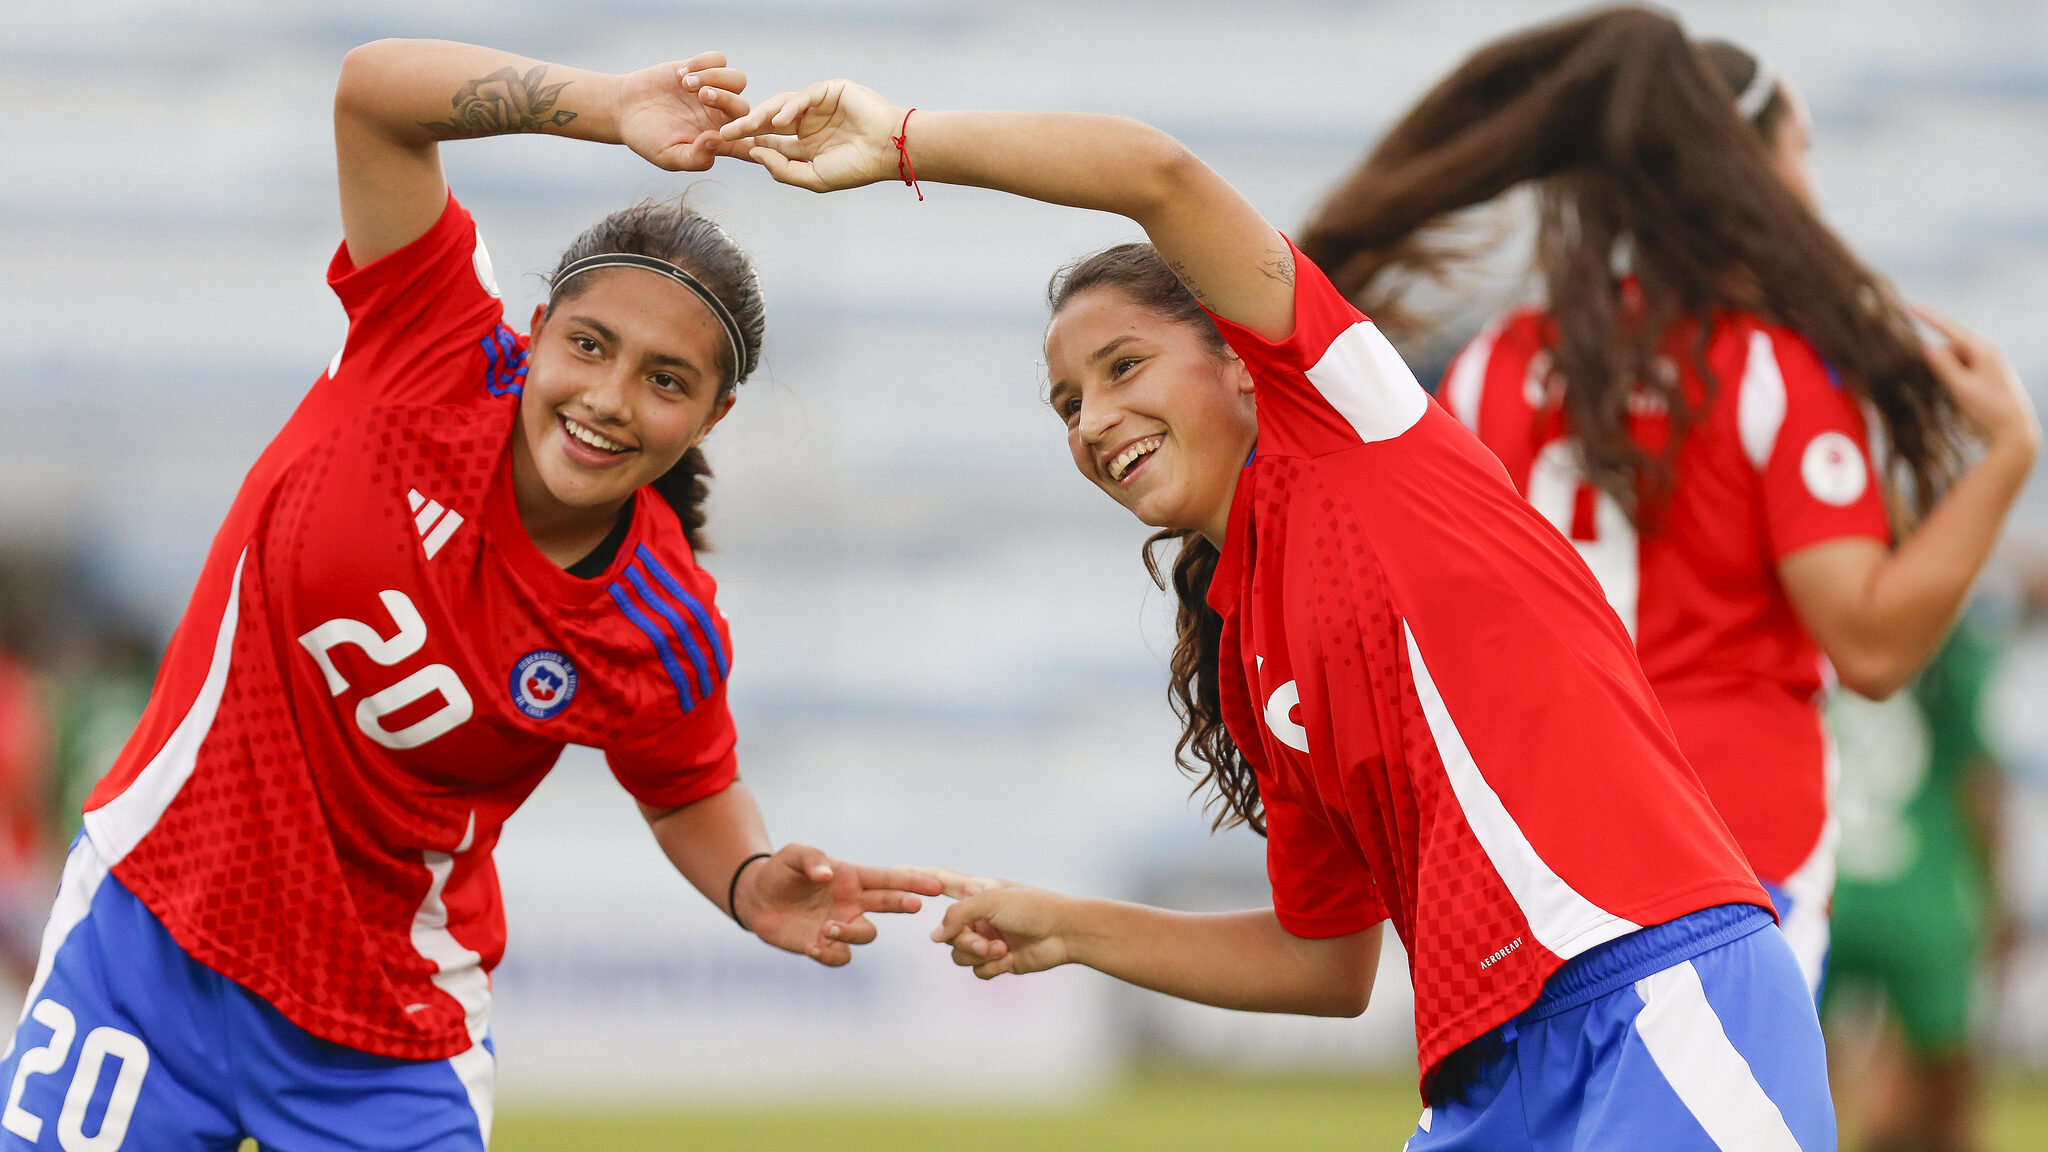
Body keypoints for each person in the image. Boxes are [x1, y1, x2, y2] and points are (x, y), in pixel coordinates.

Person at [722, 74, 1834, 1150]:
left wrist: (907, 139)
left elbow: (1153, 173)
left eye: (1122, 366)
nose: (1094, 417)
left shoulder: (1351, 428)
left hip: (1659, 991)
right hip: (1492, 1078)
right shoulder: (1251, 650)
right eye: (1067, 402)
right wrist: (1064, 926)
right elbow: (1326, 965)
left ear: (1245, 366)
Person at [0, 39, 938, 1150]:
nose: (607, 399)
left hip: (386, 1035)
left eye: (666, 380)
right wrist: (612, 103)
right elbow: (372, 93)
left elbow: (685, 788)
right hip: (155, 933)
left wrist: (743, 880)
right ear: (534, 334)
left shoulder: (663, 623)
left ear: (712, 418)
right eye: (588, 345)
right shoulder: (429, 345)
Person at [1293, 6, 2039, 994]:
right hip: (1730, 854)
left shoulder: (1492, 364)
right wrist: (2005, 457)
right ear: (1739, 170)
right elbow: (1869, 645)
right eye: (1796, 151)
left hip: (1533, 861)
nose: (1808, 187)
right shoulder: (1772, 372)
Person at [1825, 614, 2012, 1152]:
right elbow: (1979, 781)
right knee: (1945, 1095)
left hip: (1823, 886)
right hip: (1922, 888)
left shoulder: (1807, 621)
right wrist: (1997, 892)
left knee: (1791, 1084)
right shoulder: (1946, 638)